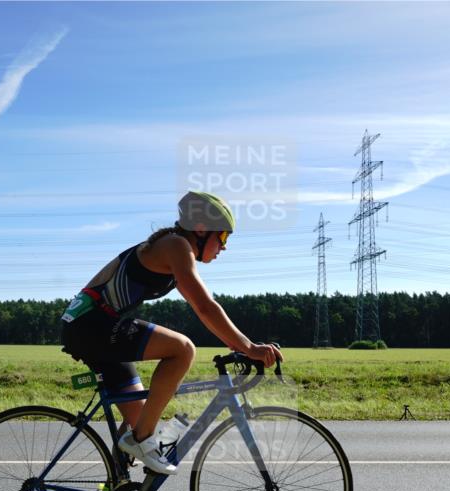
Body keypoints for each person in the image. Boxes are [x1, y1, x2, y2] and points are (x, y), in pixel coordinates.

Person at [60, 191, 283, 475]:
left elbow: (201, 306)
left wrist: (237, 344)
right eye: (223, 238)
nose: (224, 247)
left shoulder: (170, 248)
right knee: (183, 349)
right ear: (201, 230)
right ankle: (140, 443)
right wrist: (249, 347)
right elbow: (205, 307)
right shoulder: (176, 246)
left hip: (90, 326)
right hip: (91, 325)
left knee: (142, 421)